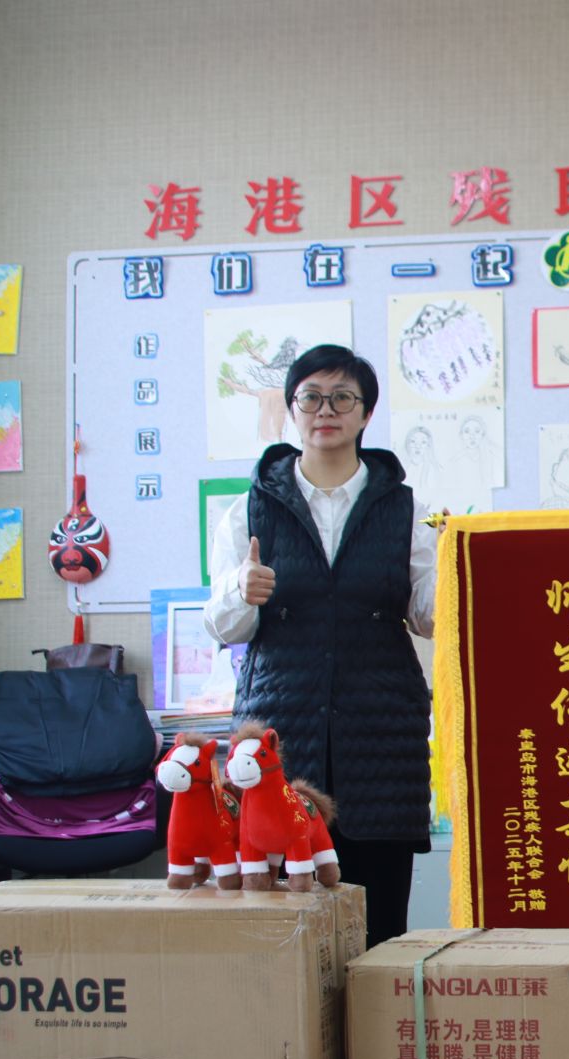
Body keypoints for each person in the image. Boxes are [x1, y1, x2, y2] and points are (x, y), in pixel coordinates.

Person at [206, 344, 436, 947]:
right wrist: (241, 591)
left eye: (342, 398)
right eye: (310, 397)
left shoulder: (406, 510)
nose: (325, 410)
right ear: (291, 409)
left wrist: (468, 563)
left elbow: (429, 617)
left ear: (366, 413)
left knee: (380, 921)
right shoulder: (248, 509)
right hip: (280, 734)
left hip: (381, 736)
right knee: (281, 926)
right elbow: (223, 627)